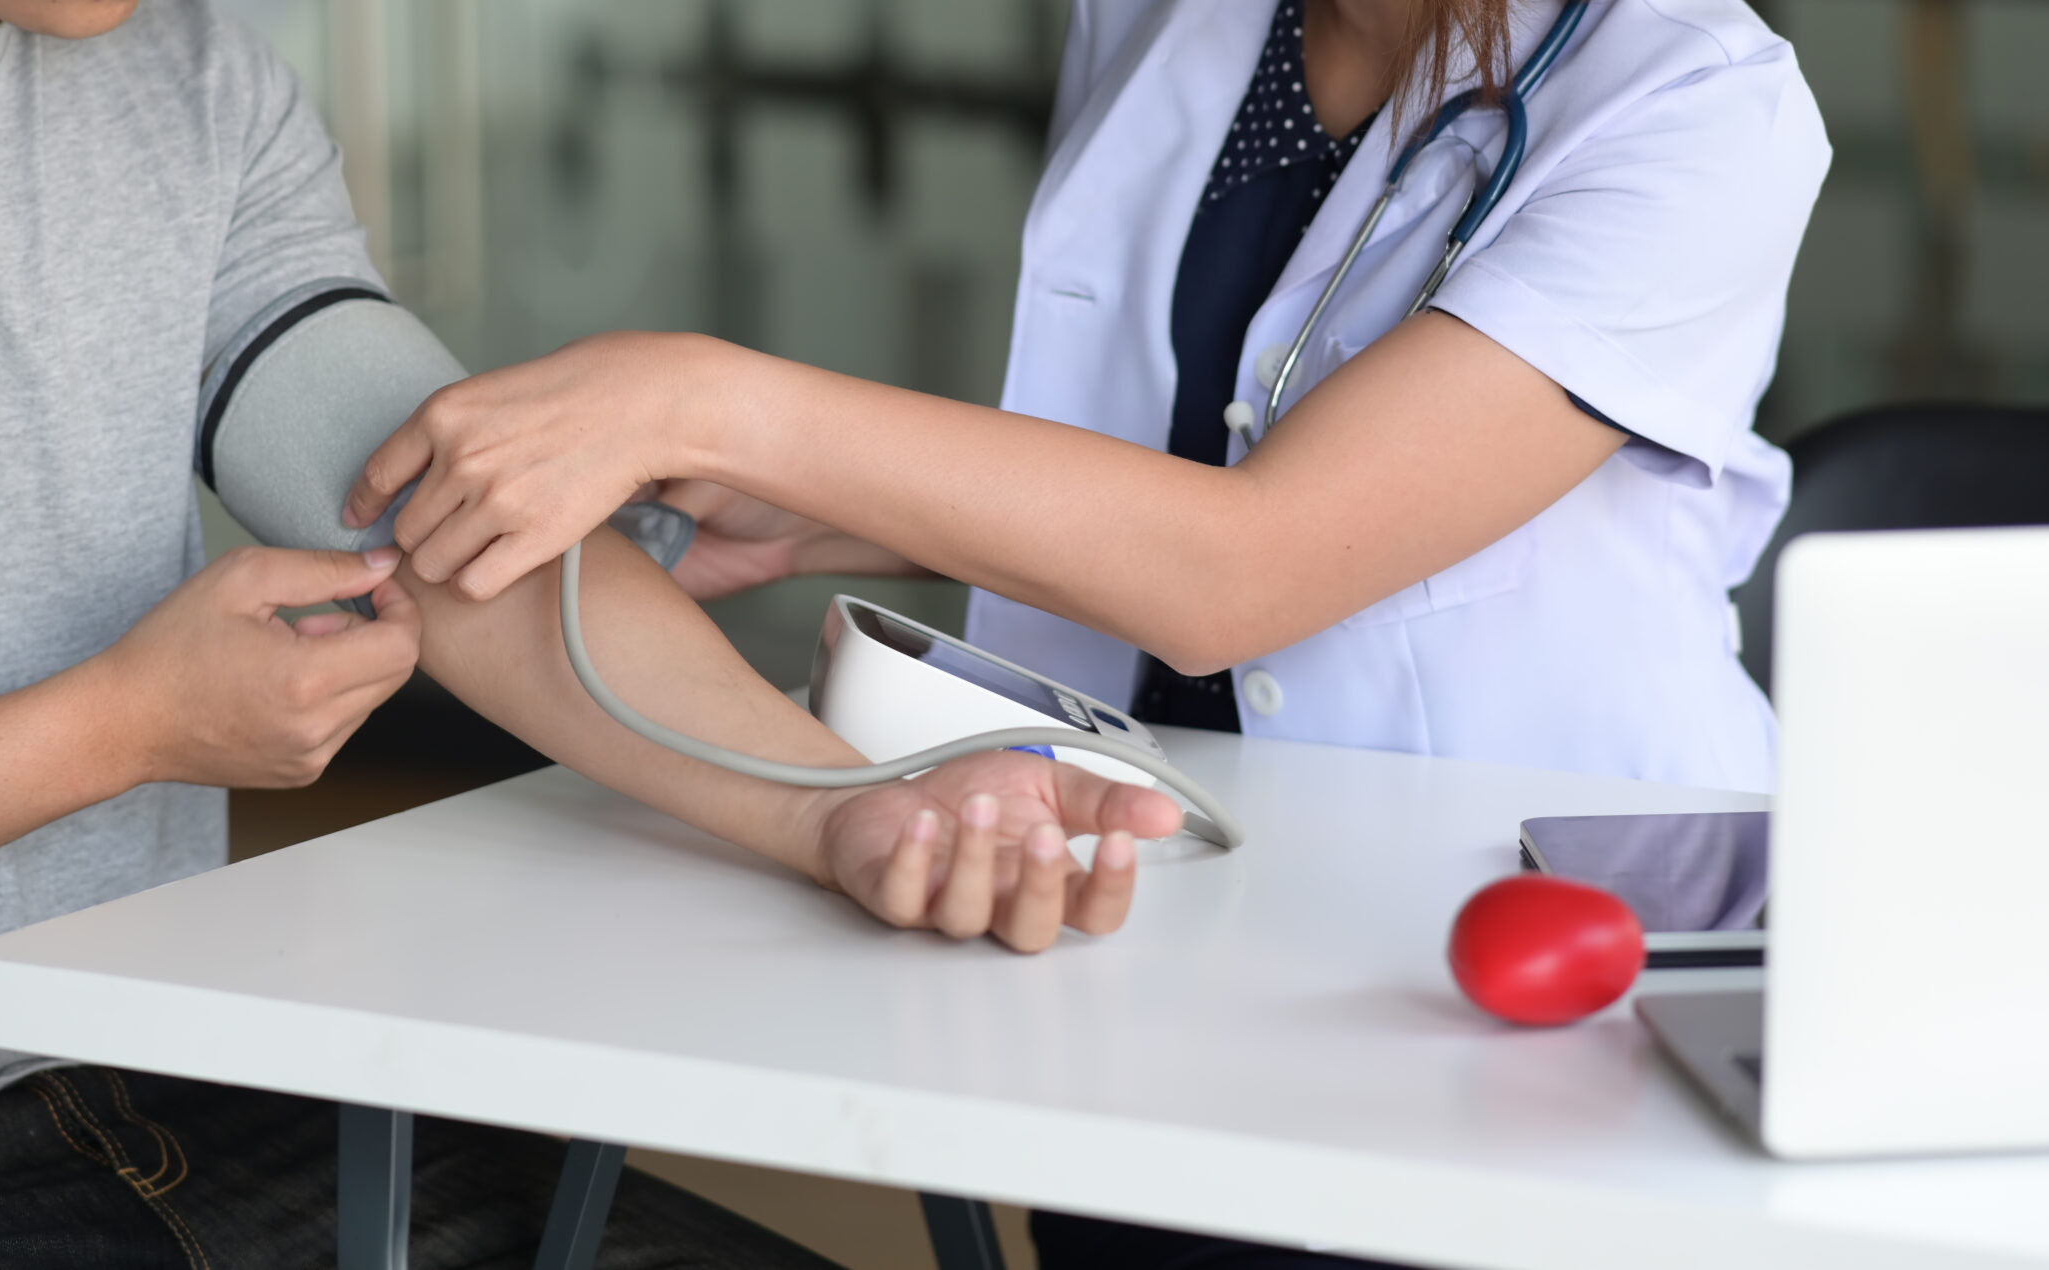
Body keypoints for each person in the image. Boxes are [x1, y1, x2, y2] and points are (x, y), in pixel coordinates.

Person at [0, 1, 1183, 1265]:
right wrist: (118, 727)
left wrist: (850, 810)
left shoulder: (196, 83)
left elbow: (450, 533)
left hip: (190, 1085)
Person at [341, 0, 1829, 1264]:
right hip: (1163, 901)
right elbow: (1181, 441)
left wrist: (705, 399)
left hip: (1552, 947)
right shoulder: (1179, 22)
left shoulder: (1699, 105)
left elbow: (1254, 561)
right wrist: (852, 523)